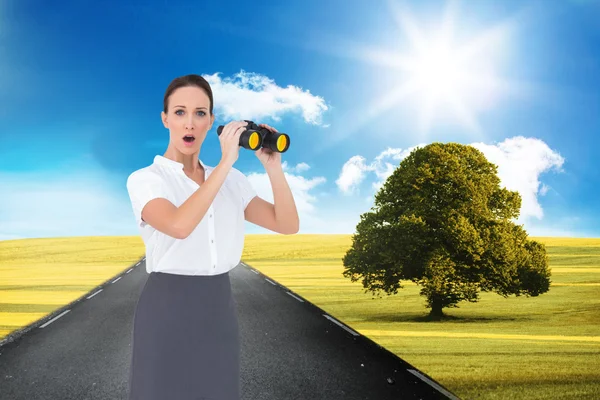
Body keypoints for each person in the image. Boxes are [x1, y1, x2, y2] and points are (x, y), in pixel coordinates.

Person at [125, 74, 299, 400]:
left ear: (211, 122)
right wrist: (224, 164)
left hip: (220, 304)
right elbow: (178, 225)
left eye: (200, 113)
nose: (190, 123)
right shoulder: (146, 179)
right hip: (166, 306)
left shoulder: (232, 180)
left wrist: (272, 166)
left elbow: (287, 224)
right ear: (165, 119)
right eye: (179, 112)